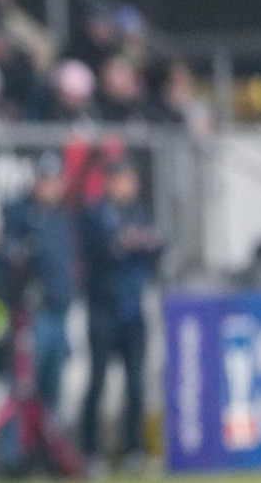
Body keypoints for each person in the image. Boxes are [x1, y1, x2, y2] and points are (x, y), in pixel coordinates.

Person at [80, 159, 161, 477]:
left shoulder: (139, 214)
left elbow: (152, 248)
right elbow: (103, 250)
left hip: (133, 309)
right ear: (111, 182)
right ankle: (91, 452)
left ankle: (134, 450)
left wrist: (137, 244)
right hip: (103, 309)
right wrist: (128, 244)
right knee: (98, 380)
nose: (128, 186)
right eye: (123, 179)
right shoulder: (96, 213)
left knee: (136, 383)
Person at [4, 153, 77, 413]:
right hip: (33, 312)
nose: (50, 187)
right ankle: (15, 450)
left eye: (55, 181)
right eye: (45, 180)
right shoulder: (21, 213)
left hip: (60, 309)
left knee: (53, 384)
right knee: (23, 383)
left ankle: (47, 448)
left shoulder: (63, 216)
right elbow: (10, 253)